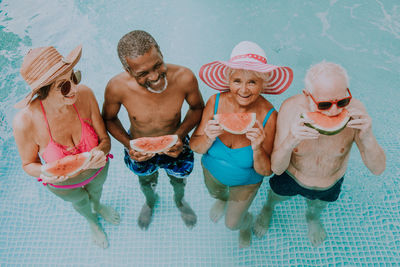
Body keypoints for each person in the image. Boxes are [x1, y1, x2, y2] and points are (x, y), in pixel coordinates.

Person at [253, 61, 386, 247]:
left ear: (348, 92)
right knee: (275, 197)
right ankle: (268, 209)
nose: (334, 111)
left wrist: (368, 137)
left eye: (342, 102)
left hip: (329, 184)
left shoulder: (356, 114)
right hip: (291, 177)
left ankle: (312, 218)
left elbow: (378, 169)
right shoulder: (291, 109)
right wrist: (291, 139)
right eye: (323, 105)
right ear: (307, 95)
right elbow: (276, 167)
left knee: (318, 206)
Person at [13, 45, 120, 249]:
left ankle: (98, 207)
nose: (74, 88)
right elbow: (28, 164)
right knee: (80, 202)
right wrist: (45, 170)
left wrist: (100, 151)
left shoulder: (85, 95)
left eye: (75, 77)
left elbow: (104, 140)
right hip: (64, 186)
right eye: (64, 86)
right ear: (42, 92)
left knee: (96, 194)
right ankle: (91, 221)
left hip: (98, 171)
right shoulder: (25, 121)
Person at [190, 41, 293, 247]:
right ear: (229, 80)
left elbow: (266, 171)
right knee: (215, 194)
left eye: (252, 82)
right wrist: (208, 137)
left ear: (263, 84)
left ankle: (245, 224)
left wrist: (257, 148)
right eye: (237, 81)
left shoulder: (270, 117)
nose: (243, 90)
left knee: (232, 224)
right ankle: (221, 200)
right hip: (211, 172)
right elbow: (195, 146)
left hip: (246, 183)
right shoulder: (215, 102)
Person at [102, 30, 204, 230]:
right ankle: (150, 202)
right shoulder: (117, 87)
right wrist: (128, 144)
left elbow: (197, 108)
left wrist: (180, 136)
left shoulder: (184, 77)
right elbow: (109, 118)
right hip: (139, 150)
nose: (155, 76)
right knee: (146, 181)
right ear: (128, 69)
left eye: (157, 65)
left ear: (161, 53)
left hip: (178, 146)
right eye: (143, 73)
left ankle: (180, 201)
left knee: (179, 180)